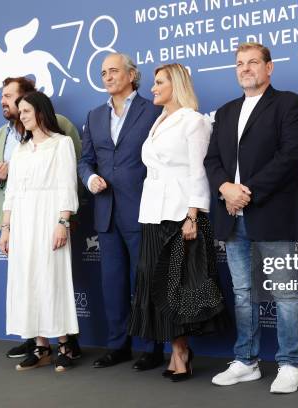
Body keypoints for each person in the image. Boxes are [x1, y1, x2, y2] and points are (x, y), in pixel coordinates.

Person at [204, 43, 298, 393]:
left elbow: (290, 155)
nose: (245, 68)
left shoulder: (289, 104)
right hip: (232, 215)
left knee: (284, 293)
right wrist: (225, 188)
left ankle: (290, 365)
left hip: (271, 212)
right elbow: (212, 160)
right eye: (239, 63)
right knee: (243, 292)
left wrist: (245, 191)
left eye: (253, 62)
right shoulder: (225, 111)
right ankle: (247, 361)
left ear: (269, 67)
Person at [127, 63, 226, 382]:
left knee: (177, 286)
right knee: (156, 284)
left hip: (180, 213)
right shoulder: (159, 121)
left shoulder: (193, 121)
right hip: (152, 212)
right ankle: (175, 347)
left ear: (177, 85)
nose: (152, 88)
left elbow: (199, 170)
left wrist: (193, 214)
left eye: (159, 82)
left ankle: (181, 352)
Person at [0, 77, 82, 360]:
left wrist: (63, 222)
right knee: (26, 279)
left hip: (50, 217)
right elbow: (11, 193)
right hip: (22, 221)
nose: (21, 116)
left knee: (54, 277)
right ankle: (40, 345)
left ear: (40, 112)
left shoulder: (61, 144)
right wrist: (6, 230)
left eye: (25, 111)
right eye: (20, 111)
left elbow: (67, 185)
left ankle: (65, 344)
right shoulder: (21, 150)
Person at [78, 53, 164, 370]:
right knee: (112, 284)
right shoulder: (95, 115)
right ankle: (119, 346)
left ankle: (153, 348)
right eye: (103, 72)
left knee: (146, 281)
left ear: (131, 75)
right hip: (106, 212)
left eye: (114, 71)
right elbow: (85, 160)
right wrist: (89, 178)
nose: (107, 77)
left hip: (143, 209)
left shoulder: (153, 109)